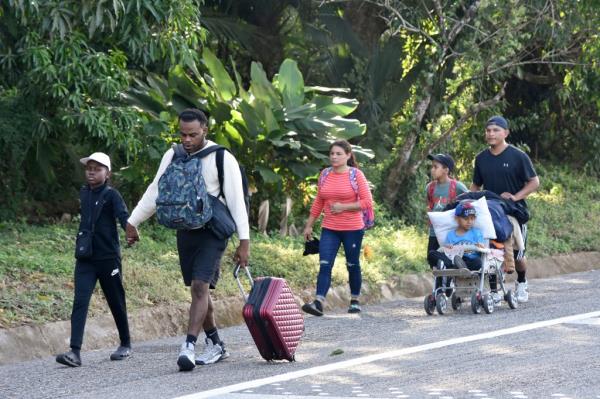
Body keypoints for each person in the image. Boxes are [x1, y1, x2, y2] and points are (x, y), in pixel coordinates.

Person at [125, 109, 250, 371]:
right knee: (199, 291)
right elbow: (156, 189)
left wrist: (244, 241)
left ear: (205, 129)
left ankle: (189, 346)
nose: (187, 140)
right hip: (185, 229)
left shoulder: (221, 157)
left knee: (199, 287)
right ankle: (216, 343)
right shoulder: (173, 155)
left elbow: (237, 201)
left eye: (192, 134)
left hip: (213, 231)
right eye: (182, 134)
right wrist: (133, 221)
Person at [56, 152, 132, 367]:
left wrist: (130, 230)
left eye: (97, 169)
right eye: (89, 168)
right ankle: (75, 352)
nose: (91, 172)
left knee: (116, 301)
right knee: (80, 301)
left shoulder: (112, 195)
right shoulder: (84, 193)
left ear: (107, 173)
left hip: (108, 258)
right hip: (86, 257)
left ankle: (125, 343)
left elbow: (123, 216)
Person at [471, 115, 539, 303]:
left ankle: (522, 283)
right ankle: (494, 291)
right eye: (488, 130)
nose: (491, 134)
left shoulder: (518, 156)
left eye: (495, 130)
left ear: (506, 133)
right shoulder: (481, 159)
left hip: (514, 213)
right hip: (490, 214)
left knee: (518, 254)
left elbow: (534, 182)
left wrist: (516, 197)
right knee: (490, 253)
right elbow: (476, 186)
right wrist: (469, 203)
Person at [301, 139, 374, 316]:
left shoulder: (356, 175)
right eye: (332, 153)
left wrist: (343, 207)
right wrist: (309, 225)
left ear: (348, 155)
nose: (334, 157)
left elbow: (367, 202)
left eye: (338, 154)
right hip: (330, 228)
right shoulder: (325, 174)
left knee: (352, 263)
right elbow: (319, 201)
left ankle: (355, 300)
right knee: (325, 264)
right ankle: (318, 302)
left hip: (353, 228)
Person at [425, 153, 469, 254]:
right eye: (432, 167)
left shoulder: (458, 186)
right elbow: (429, 205)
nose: (432, 170)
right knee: (432, 257)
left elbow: (469, 201)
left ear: (446, 170)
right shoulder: (429, 187)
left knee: (450, 258)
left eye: (435, 167)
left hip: (451, 232)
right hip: (434, 232)